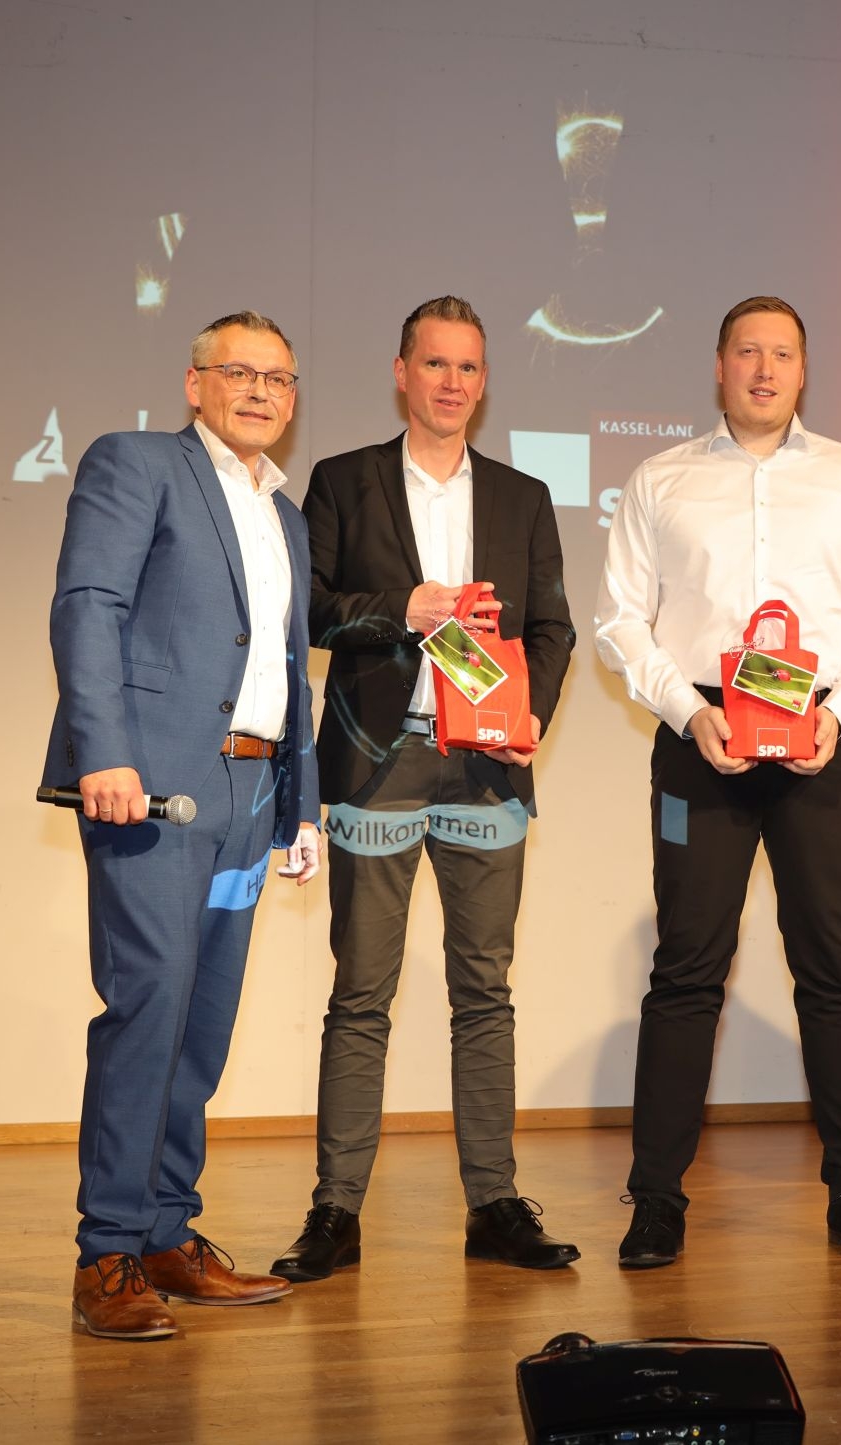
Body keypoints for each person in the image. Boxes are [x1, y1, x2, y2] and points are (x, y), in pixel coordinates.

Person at [593, 295, 841, 1268]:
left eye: (782, 353)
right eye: (748, 351)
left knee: (835, 969)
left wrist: (840, 710)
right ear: (719, 364)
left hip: (821, 732)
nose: (765, 369)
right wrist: (684, 711)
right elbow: (620, 620)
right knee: (685, 969)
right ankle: (656, 1201)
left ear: (804, 370)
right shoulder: (661, 478)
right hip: (700, 736)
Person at [272, 296, 578, 1281]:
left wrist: (534, 713)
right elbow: (309, 611)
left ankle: (495, 1204)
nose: (452, 382)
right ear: (402, 373)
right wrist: (401, 609)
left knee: (485, 991)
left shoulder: (524, 496)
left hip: (486, 766)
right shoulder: (342, 479)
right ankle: (335, 1211)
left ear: (484, 384)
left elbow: (553, 629)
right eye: (435, 363)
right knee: (361, 993)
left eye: (469, 367)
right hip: (379, 758)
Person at [45, 311, 321, 1340]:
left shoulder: (285, 513)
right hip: (154, 787)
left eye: (277, 378)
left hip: (250, 798)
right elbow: (89, 604)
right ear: (195, 382)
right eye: (237, 371)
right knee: (148, 1009)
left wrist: (300, 805)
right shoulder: (138, 463)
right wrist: (103, 751)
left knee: (203, 1024)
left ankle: (168, 1234)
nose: (259, 390)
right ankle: (108, 1252)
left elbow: (289, 667)